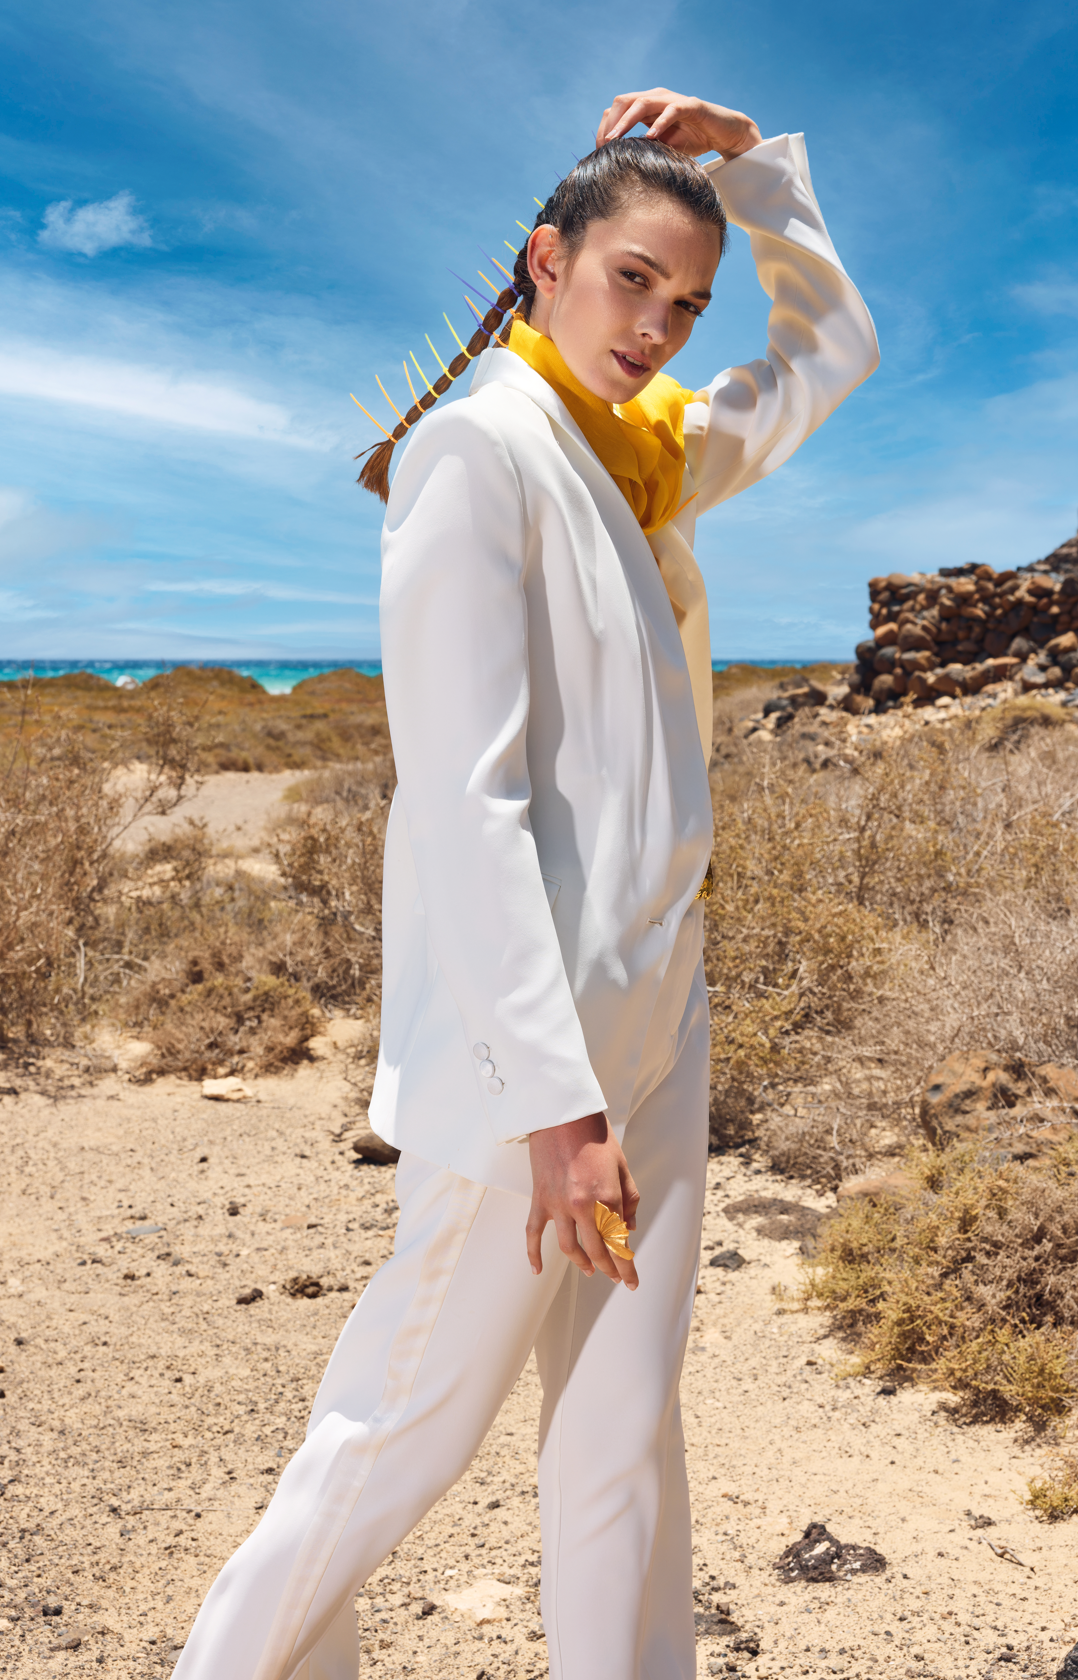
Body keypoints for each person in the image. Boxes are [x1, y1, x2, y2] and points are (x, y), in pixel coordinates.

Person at [173, 87, 878, 1680]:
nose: (659, 328)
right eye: (631, 280)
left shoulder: (648, 457)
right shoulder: (474, 451)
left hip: (659, 1015)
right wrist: (555, 1111)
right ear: (544, 262)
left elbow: (829, 352)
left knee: (623, 1435)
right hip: (528, 1059)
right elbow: (464, 803)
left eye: (686, 304)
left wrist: (751, 164)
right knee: (403, 1425)